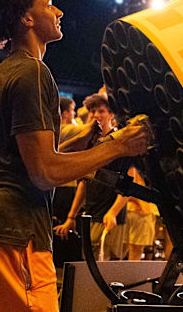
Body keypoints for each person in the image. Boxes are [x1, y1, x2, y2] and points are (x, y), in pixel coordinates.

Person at [0, 0, 148, 312]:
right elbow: (45, 170)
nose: (58, 11)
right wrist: (119, 146)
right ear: (27, 19)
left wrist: (89, 137)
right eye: (48, 4)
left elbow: (30, 154)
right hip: (14, 233)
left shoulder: (5, 71)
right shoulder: (33, 71)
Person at [57, 93, 130, 260]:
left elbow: (128, 186)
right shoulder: (90, 143)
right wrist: (71, 216)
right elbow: (83, 182)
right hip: (91, 214)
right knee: (89, 264)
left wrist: (113, 212)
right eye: (93, 111)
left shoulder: (119, 143)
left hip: (110, 218)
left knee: (109, 271)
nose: (96, 115)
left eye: (102, 111)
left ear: (112, 114)